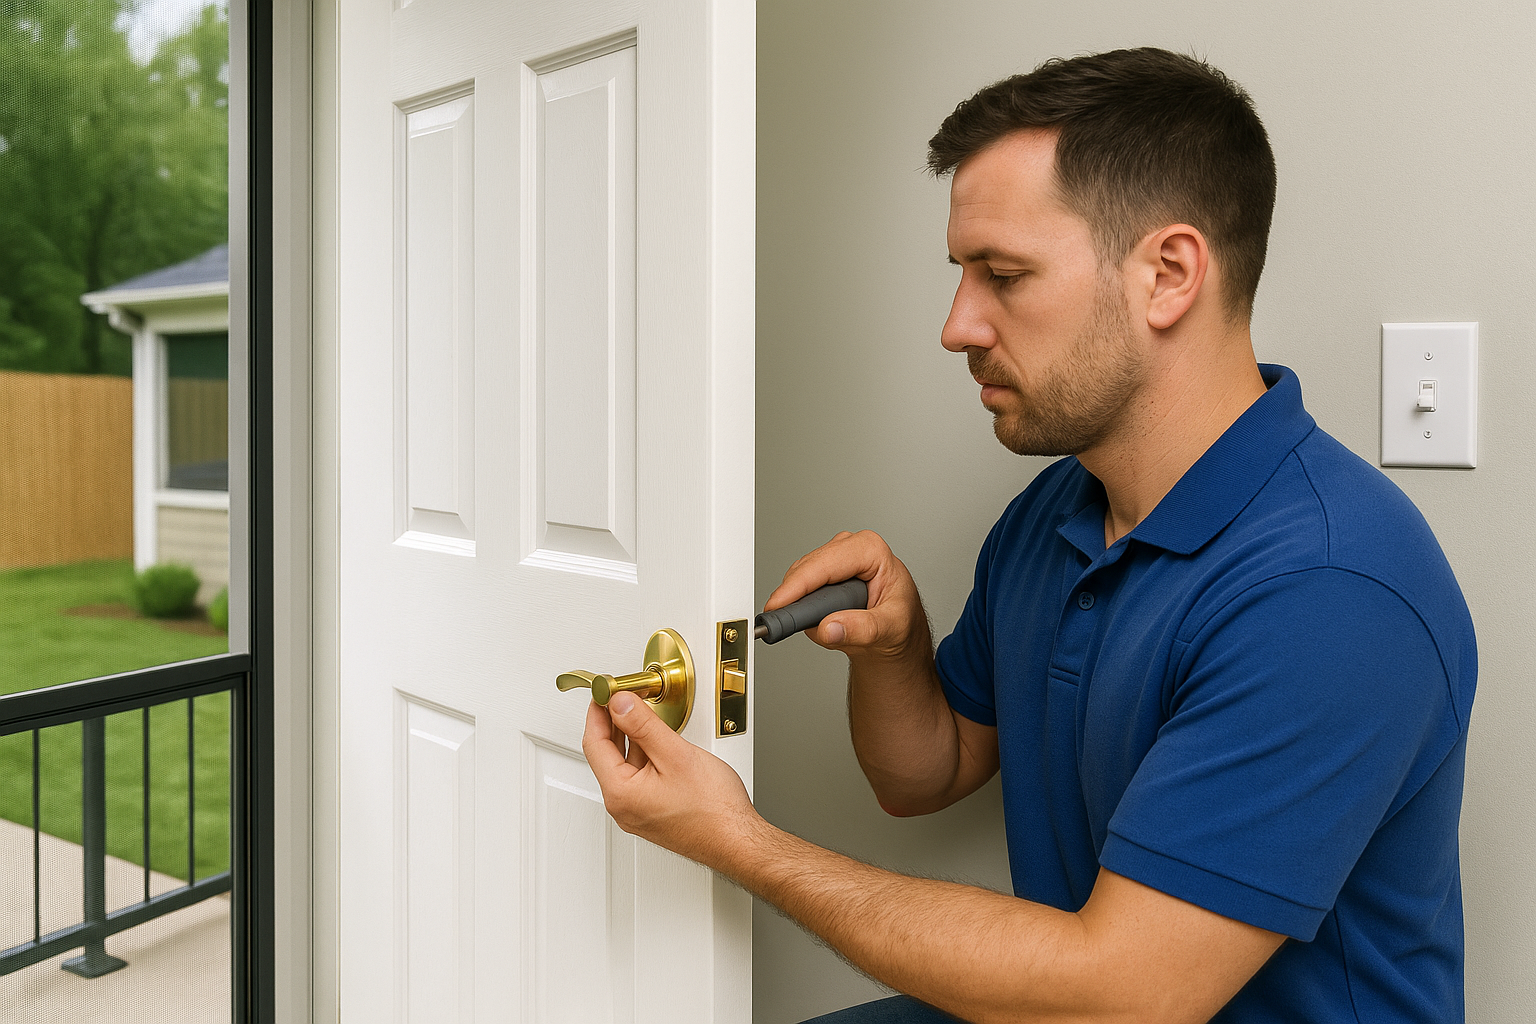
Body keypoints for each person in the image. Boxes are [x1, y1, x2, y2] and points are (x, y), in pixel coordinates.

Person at [583, 47, 1476, 1024]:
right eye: (964, 273)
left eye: (1002, 275)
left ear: (1169, 274)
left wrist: (738, 841)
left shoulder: (1331, 590)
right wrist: (896, 650)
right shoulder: (1057, 510)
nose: (957, 324)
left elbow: (1116, 997)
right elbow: (928, 773)